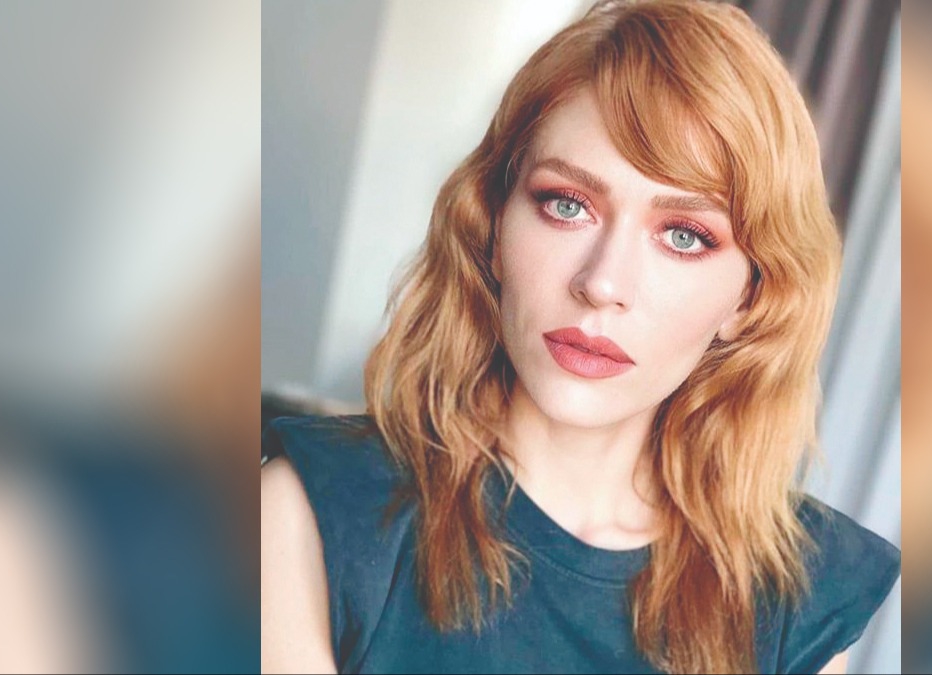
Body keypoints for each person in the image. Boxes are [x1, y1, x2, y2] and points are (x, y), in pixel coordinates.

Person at [261, 1, 899, 673]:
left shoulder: (798, 598)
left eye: (684, 237)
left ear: (749, 298)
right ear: (494, 227)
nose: (602, 283)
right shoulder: (311, 517)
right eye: (567, 204)